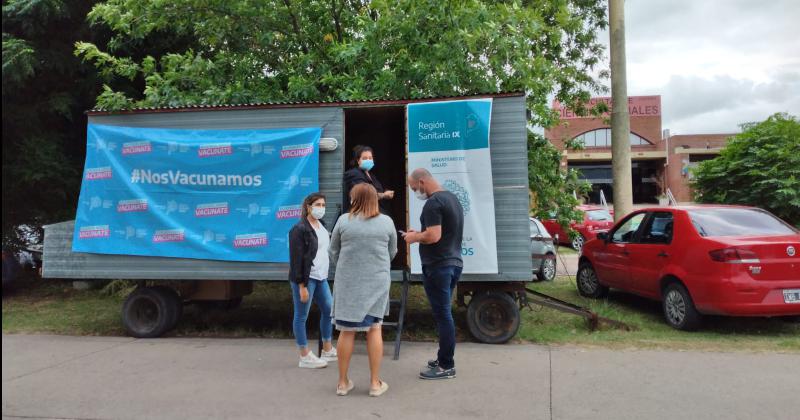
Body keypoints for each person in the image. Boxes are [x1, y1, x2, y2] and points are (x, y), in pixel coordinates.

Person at [329, 183, 397, 397]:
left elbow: (333, 251)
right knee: (375, 328)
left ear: (354, 199)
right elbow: (392, 252)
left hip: (348, 283)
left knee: (346, 330)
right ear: (374, 199)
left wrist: (348, 266)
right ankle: (375, 384)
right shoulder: (386, 222)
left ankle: (342, 383)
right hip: (376, 282)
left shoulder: (343, 221)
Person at [403, 168, 464, 380]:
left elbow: (434, 236)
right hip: (453, 263)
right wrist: (418, 234)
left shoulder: (433, 203)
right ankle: (443, 358)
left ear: (422, 182)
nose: (414, 192)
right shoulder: (452, 199)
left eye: (413, 188)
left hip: (439, 265)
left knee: (443, 315)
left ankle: (446, 365)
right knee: (443, 314)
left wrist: (414, 238)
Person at [288, 192, 337, 369]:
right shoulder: (299, 229)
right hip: (306, 279)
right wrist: (302, 286)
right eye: (318, 205)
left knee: (329, 310)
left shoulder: (321, 225)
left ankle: (327, 348)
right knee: (301, 316)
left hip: (321, 277)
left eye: (323, 205)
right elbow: (296, 260)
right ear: (308, 207)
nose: (321, 208)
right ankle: (304, 355)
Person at [342, 145, 394, 215]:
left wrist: (386, 192)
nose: (368, 160)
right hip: (361, 214)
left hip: (374, 212)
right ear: (358, 161)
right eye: (365, 158)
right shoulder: (354, 174)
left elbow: (377, 190)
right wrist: (384, 195)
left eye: (370, 158)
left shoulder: (371, 175)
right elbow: (364, 195)